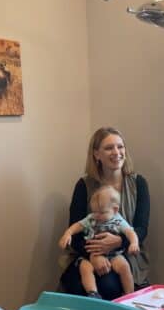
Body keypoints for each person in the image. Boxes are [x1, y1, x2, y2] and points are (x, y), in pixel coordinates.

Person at [60, 127, 150, 300]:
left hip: (125, 253)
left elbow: (141, 228)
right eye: (109, 148)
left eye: (120, 146)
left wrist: (119, 242)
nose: (116, 152)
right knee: (78, 286)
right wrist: (94, 256)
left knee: (109, 286)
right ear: (96, 154)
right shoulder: (84, 186)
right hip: (87, 253)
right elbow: (75, 231)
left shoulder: (139, 184)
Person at [59, 185, 140, 298]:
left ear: (115, 209)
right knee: (85, 268)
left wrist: (134, 243)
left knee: (124, 267)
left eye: (101, 213)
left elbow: (131, 232)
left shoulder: (118, 220)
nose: (97, 216)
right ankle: (93, 293)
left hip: (114, 255)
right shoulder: (92, 218)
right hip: (91, 253)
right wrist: (67, 234)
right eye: (94, 211)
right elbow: (78, 225)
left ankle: (129, 295)